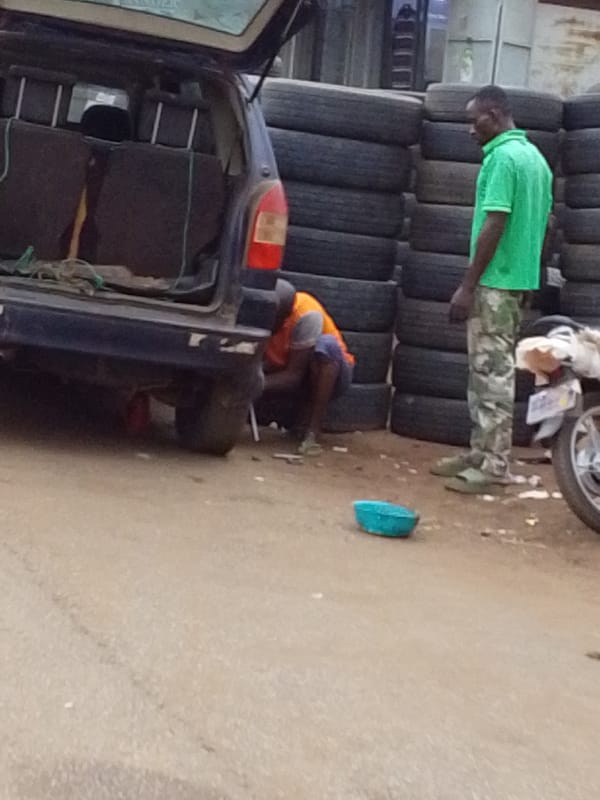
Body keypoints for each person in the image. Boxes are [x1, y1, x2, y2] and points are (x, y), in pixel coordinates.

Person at [431, 85, 553, 494]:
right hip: (516, 281)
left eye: (475, 120)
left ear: (496, 114)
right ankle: (480, 452)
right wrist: (535, 274)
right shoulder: (535, 159)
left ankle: (494, 465)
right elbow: (546, 225)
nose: (471, 130)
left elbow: (495, 223)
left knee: (493, 374)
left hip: (495, 282)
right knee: (485, 369)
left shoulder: (502, 158)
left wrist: (467, 286)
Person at [258, 279, 355, 455]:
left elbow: (294, 376)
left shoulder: (307, 315)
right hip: (286, 367)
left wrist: (255, 382)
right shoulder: (261, 309)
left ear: (285, 315)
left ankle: (313, 430)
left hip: (331, 373)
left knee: (326, 345)